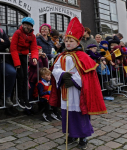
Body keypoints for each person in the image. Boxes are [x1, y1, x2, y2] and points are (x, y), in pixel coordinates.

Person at [50, 17, 107, 149]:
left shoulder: (83, 56)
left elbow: (87, 75)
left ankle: (83, 137)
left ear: (77, 42)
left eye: (71, 41)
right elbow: (55, 69)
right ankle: (71, 134)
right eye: (66, 41)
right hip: (65, 89)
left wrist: (73, 79)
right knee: (67, 112)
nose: (68, 43)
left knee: (79, 112)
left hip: (77, 90)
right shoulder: (61, 56)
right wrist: (63, 75)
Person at [10, 17, 38, 109]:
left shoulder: (32, 36)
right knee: (20, 77)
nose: (27, 27)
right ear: (22, 25)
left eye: (29, 25)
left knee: (26, 77)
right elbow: (13, 48)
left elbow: (34, 48)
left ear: (31, 27)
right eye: (25, 24)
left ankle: (25, 98)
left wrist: (34, 57)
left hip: (24, 57)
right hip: (16, 57)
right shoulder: (17, 33)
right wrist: (17, 63)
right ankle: (19, 97)